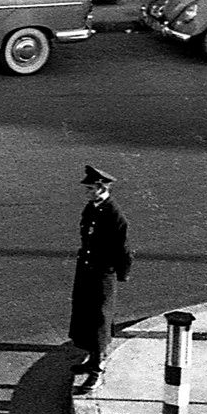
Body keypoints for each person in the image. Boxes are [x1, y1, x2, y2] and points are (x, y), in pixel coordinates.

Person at [68, 164, 133, 395]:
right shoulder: (92, 208)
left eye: (89, 188)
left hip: (102, 273)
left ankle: (97, 369)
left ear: (100, 187)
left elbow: (123, 249)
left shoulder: (114, 215)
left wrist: (122, 274)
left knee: (99, 320)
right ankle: (90, 357)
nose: (85, 191)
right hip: (87, 268)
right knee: (84, 313)